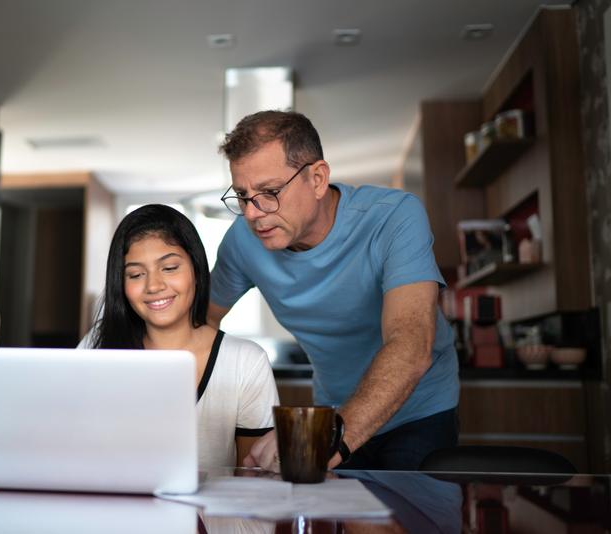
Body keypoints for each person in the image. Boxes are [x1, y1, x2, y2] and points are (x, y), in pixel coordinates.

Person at [209, 110, 459, 471]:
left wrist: (330, 436)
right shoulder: (242, 242)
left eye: (269, 192)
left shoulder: (393, 217)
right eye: (243, 196)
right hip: (332, 410)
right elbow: (200, 324)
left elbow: (411, 344)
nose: (252, 213)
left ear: (317, 179)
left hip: (419, 411)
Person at [83, 204, 279, 468]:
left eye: (170, 268)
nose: (153, 286)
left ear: (197, 271)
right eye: (136, 274)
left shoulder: (245, 362)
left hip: (210, 511)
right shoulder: (96, 348)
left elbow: (254, 481)